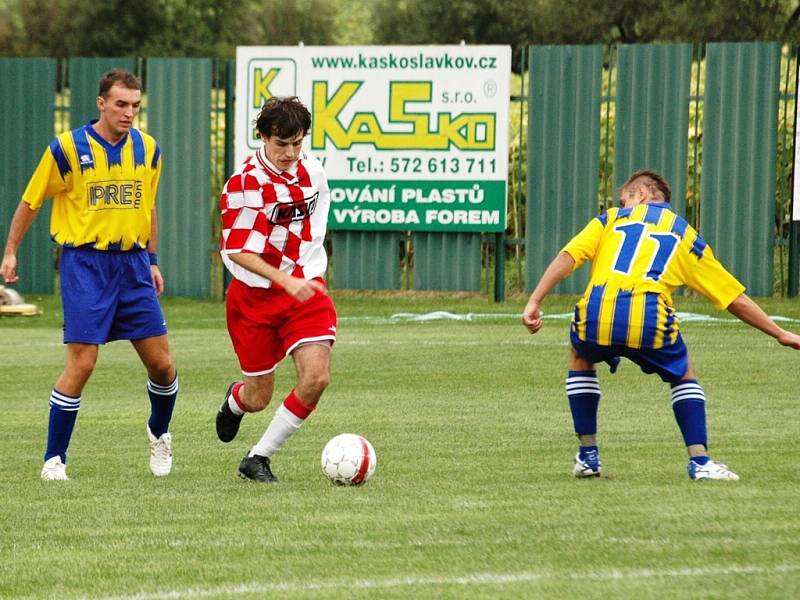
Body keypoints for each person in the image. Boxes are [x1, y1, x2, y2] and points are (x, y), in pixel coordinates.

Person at [522, 169, 800, 481]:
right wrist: (779, 333)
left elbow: (569, 256)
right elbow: (734, 297)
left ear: (640, 195)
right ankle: (700, 461)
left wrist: (535, 300)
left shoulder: (610, 220)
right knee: (682, 374)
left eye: (625, 198)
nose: (623, 204)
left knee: (580, 353)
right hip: (650, 318)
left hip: (597, 313)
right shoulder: (686, 236)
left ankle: (588, 456)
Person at [1, 69, 178, 481]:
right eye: (121, 104)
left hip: (133, 266)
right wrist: (10, 251)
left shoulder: (149, 150)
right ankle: (54, 459)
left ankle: (159, 432)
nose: (129, 113)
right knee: (82, 363)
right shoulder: (66, 148)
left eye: (135, 105)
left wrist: (152, 260)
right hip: (85, 265)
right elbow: (31, 201)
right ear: (101, 103)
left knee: (163, 366)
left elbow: (148, 207)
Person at [215, 96, 336, 483]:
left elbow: (311, 229)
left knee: (316, 378)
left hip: (305, 289)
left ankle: (258, 457)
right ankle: (236, 402)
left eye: (297, 143)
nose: (290, 152)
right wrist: (284, 278)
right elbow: (237, 249)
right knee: (259, 397)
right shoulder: (245, 183)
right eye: (281, 144)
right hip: (255, 299)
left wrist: (309, 274)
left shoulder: (313, 171)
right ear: (263, 136)